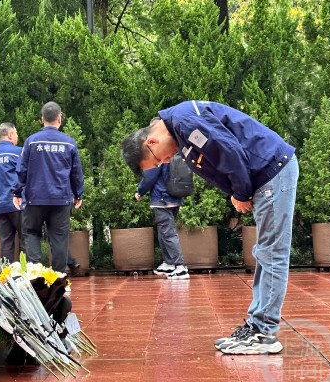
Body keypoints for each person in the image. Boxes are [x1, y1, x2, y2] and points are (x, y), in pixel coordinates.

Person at [121, 100, 298, 355]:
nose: (165, 162)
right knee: (265, 252)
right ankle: (257, 326)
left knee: (272, 252)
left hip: (270, 171)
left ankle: (264, 332)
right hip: (266, 173)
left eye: (158, 161)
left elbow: (230, 152)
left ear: (151, 143)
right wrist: (238, 192)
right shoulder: (180, 129)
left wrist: (241, 192)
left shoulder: (184, 122)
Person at [13, 102, 84, 273]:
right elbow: (76, 172)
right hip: (61, 199)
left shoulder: (31, 142)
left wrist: (17, 191)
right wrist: (78, 194)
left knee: (31, 233)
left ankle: (36, 275)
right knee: (59, 239)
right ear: (60, 119)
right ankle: (58, 280)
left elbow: (22, 169)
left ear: (42, 119)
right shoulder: (69, 143)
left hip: (34, 197)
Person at [136, 164, 189, 279]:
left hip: (162, 197)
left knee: (168, 232)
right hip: (175, 196)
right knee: (164, 231)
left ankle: (180, 267)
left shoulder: (158, 154)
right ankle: (169, 263)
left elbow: (150, 176)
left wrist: (140, 191)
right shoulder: (173, 151)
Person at [0, 123, 22, 262]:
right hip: (17, 203)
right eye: (16, 133)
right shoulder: (18, 152)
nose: (17, 137)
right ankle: (28, 276)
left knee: (6, 244)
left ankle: (7, 277)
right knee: (26, 240)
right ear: (10, 134)